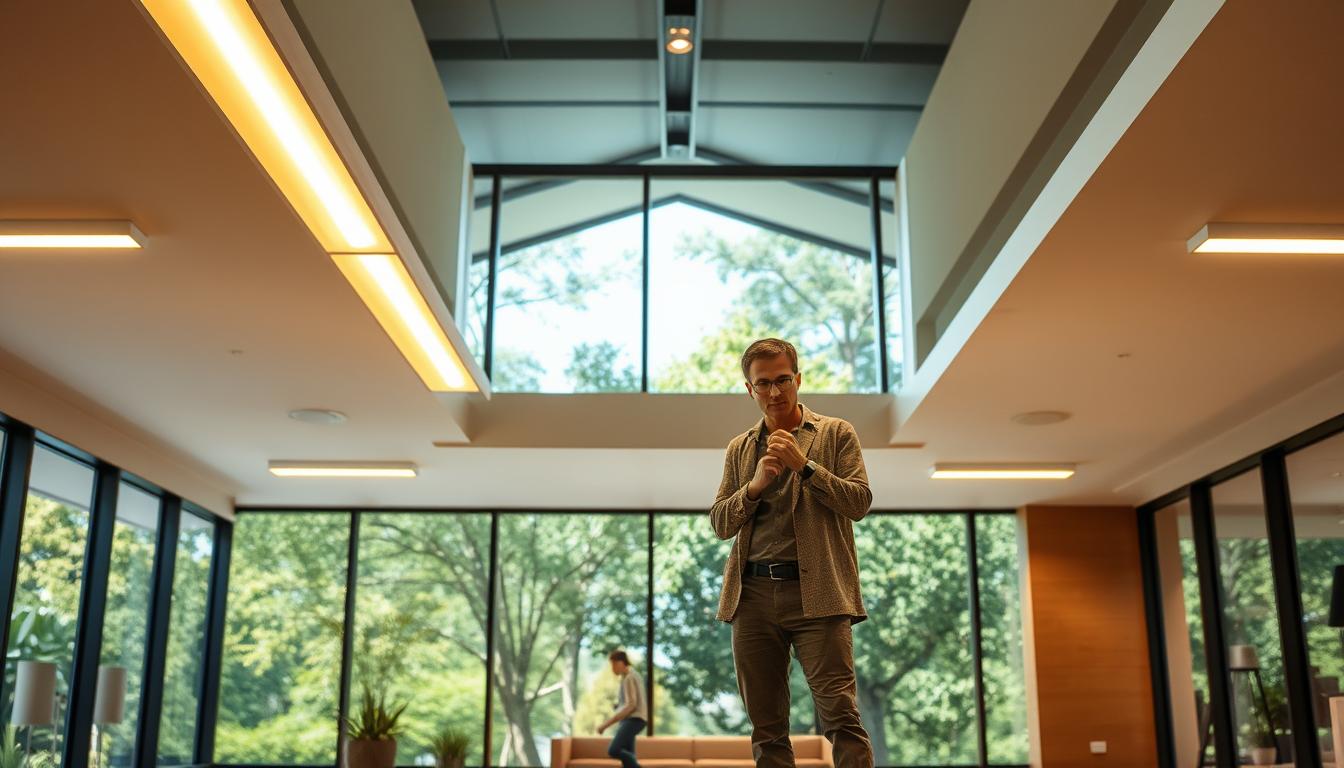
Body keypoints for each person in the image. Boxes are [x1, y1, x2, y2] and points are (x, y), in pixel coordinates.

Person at [709, 338, 874, 768]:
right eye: (763, 384)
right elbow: (720, 522)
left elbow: (858, 502)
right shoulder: (739, 448)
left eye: (783, 380)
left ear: (798, 378)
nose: (775, 392)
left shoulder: (836, 433)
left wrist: (807, 467)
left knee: (840, 716)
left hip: (819, 594)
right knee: (766, 730)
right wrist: (755, 487)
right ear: (750, 390)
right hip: (753, 598)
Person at [596, 649, 648, 768]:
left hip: (634, 720)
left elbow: (631, 705)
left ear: (620, 663)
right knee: (628, 759)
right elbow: (632, 701)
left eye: (613, 664)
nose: (612, 668)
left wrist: (605, 725)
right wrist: (619, 706)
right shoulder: (632, 675)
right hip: (635, 719)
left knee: (614, 750)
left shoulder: (629, 677)